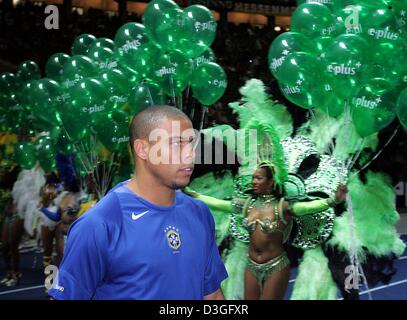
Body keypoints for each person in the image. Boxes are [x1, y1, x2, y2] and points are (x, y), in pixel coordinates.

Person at [48, 106, 228, 300]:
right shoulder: (99, 224)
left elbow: (213, 295)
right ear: (142, 149)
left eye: (191, 143)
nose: (190, 154)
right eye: (176, 143)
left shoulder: (199, 213)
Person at [184, 162, 347, 300]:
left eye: (259, 178)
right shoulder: (247, 204)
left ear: (270, 182)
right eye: (254, 177)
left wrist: (333, 200)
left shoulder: (283, 207)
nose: (254, 181)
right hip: (252, 266)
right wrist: (192, 194)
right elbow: (219, 204)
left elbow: (307, 207)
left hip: (275, 267)